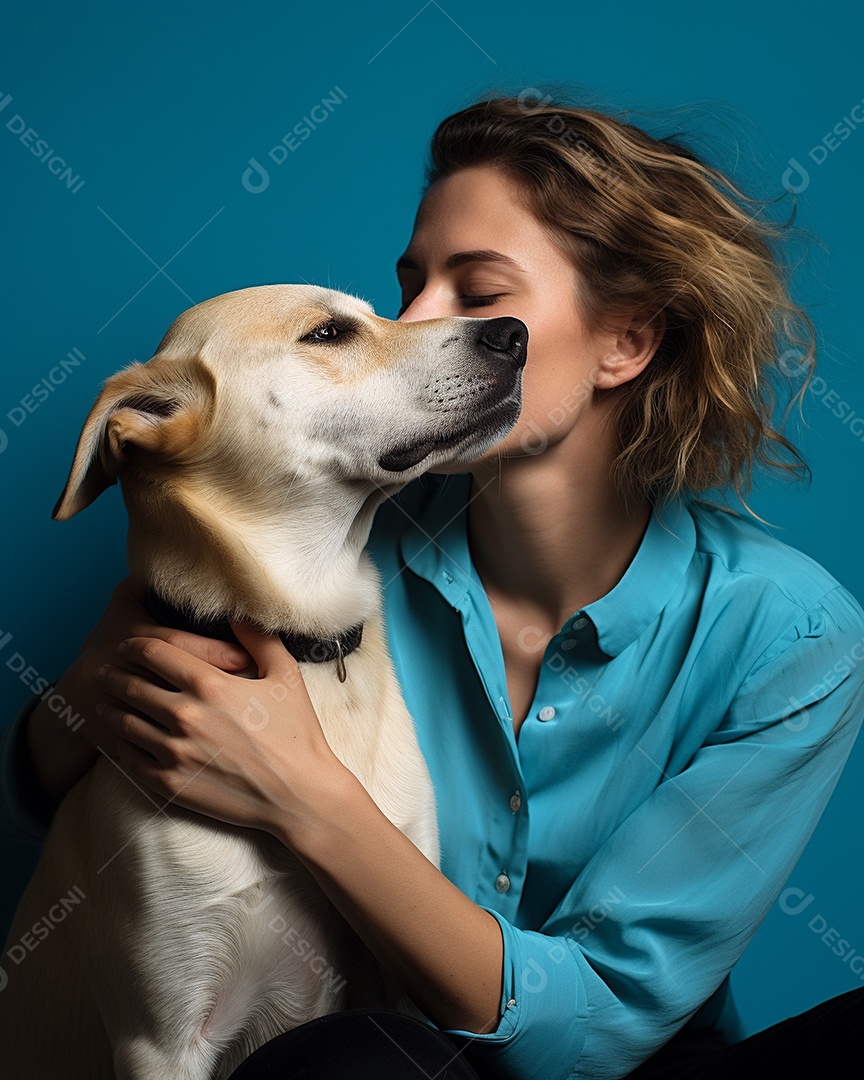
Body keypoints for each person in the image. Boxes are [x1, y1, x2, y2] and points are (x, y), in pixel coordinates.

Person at [2, 92, 863, 1079]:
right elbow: (51, 787)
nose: (416, 324)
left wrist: (308, 800)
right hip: (379, 1060)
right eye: (409, 285)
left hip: (636, 1067)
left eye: (479, 290)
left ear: (625, 342)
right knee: (357, 1060)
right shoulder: (318, 549)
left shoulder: (789, 638)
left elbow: (603, 1026)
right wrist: (92, 681)